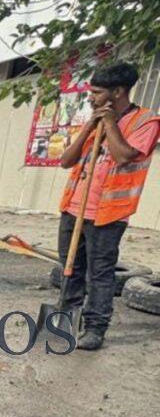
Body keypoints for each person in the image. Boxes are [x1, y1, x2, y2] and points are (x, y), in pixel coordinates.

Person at [55, 61, 159, 351]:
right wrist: (91, 124)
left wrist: (111, 123)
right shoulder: (93, 120)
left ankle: (95, 328)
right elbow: (67, 160)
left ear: (118, 92)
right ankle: (65, 319)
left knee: (100, 274)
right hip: (74, 208)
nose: (91, 97)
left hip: (108, 214)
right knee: (69, 268)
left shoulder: (145, 121)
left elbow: (124, 156)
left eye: (97, 92)